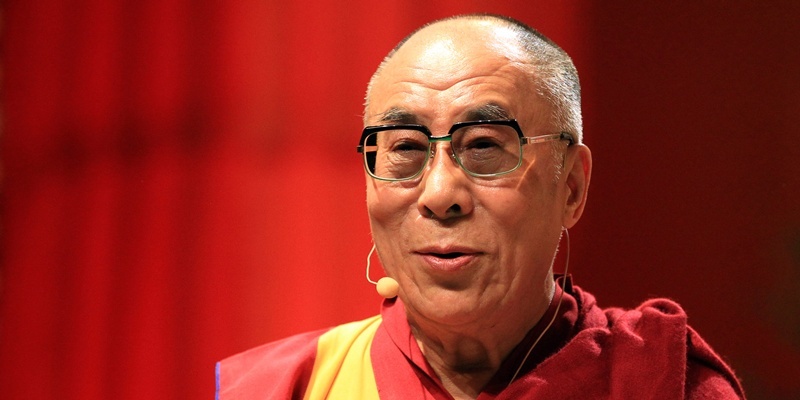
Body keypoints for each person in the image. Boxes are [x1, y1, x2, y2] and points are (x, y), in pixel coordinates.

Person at [215, 14, 745, 399]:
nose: (441, 194)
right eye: (404, 148)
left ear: (572, 188)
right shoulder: (284, 388)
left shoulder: (658, 383)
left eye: (485, 146)